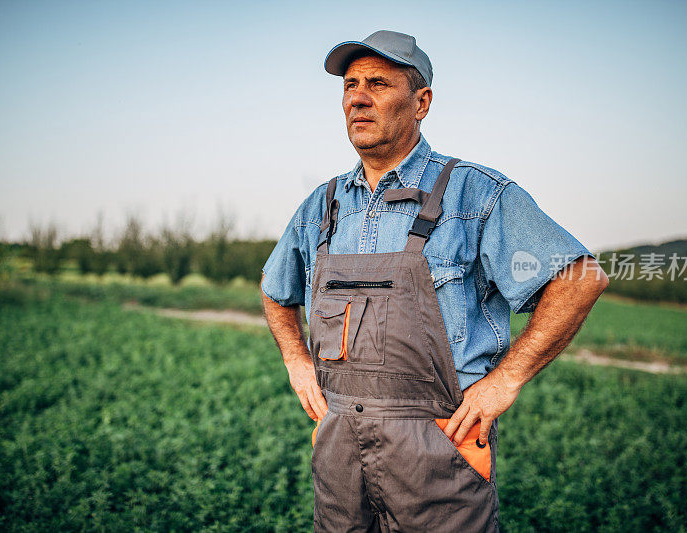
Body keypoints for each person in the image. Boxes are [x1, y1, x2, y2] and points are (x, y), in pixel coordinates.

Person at [259, 29, 609, 532]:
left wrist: (505, 381)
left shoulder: (476, 195)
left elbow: (580, 277)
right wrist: (296, 360)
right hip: (338, 451)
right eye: (350, 84)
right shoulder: (322, 205)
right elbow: (276, 288)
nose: (357, 96)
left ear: (421, 102)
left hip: (440, 450)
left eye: (378, 83)